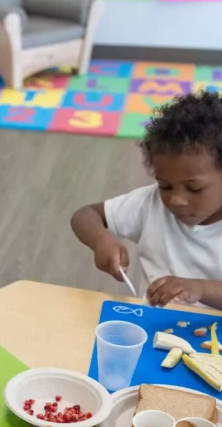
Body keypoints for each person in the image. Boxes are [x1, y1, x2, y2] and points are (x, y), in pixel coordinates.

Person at [71, 91, 222, 309]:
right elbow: (85, 215)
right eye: (165, 186)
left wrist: (198, 289)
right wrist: (100, 240)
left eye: (194, 188)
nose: (177, 200)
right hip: (155, 329)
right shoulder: (149, 204)